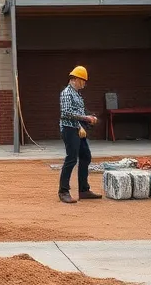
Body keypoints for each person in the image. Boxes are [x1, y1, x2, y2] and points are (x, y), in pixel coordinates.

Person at [59, 65, 102, 203]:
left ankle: (84, 190)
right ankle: (63, 191)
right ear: (76, 79)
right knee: (71, 158)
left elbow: (78, 111)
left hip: (78, 129)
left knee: (85, 157)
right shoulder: (67, 93)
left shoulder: (77, 94)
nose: (84, 83)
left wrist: (88, 117)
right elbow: (66, 113)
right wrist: (86, 118)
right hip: (69, 129)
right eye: (83, 80)